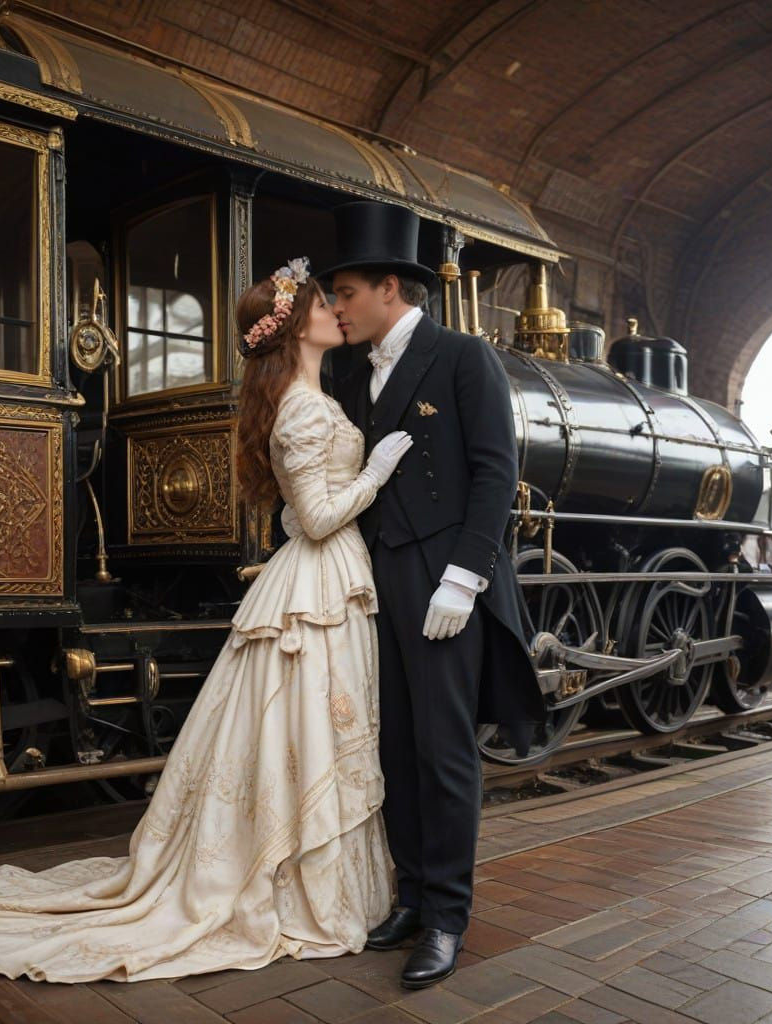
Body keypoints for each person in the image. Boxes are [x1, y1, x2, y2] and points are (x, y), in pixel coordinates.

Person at [0, 258, 413, 984]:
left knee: (321, 728)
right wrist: (377, 472)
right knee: (313, 728)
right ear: (296, 325)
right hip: (320, 583)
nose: (335, 311)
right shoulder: (301, 407)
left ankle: (321, 877)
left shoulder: (308, 397)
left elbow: (298, 512)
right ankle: (300, 885)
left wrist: (343, 486)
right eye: (323, 304)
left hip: (325, 580)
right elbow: (321, 517)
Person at [317, 201, 545, 988]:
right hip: (375, 574)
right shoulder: (351, 369)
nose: (336, 308)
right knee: (394, 747)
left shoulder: (462, 355)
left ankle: (448, 917)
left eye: (344, 293)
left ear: (390, 288)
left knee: (445, 753)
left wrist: (464, 576)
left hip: (442, 575)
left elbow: (495, 473)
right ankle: (412, 895)